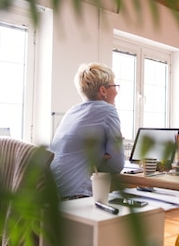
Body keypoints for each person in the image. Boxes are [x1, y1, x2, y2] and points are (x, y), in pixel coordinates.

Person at [50, 63, 124, 200]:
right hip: (76, 195)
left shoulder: (72, 111)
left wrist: (97, 153)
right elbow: (117, 165)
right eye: (115, 86)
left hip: (54, 195)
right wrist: (103, 156)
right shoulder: (108, 111)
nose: (117, 91)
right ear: (103, 91)